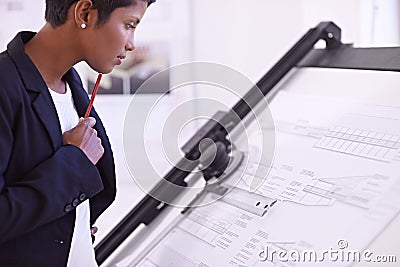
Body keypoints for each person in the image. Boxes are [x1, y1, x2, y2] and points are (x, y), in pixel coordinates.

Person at [0, 0, 154, 266]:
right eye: (129, 25)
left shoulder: (73, 84)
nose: (131, 43)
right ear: (84, 13)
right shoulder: (4, 84)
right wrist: (74, 163)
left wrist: (73, 226)